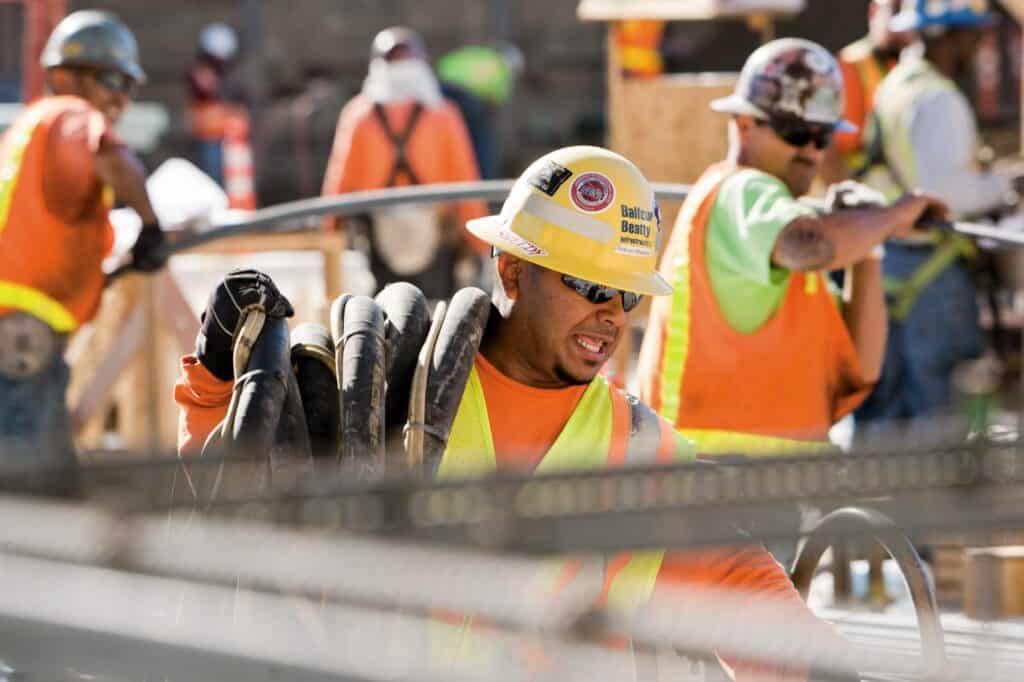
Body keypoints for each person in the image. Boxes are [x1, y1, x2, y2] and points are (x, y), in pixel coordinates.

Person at [175, 146, 856, 681]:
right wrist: (214, 377)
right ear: (511, 273)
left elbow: (750, 597)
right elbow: (235, 482)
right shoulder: (382, 385)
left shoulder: (637, 450)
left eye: (627, 296)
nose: (611, 317)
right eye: (591, 286)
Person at [635, 38, 948, 456]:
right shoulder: (743, 190)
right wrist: (893, 216)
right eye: (795, 131)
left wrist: (870, 246)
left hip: (773, 488)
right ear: (745, 125)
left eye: (822, 137)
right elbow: (807, 245)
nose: (810, 152)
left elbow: (863, 364)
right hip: (717, 483)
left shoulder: (782, 228)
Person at [0, 10, 165, 495]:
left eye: (129, 86)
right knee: (26, 488)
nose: (120, 97)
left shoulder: (31, 127)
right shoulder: (73, 116)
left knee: (48, 477)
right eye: (111, 79)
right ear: (66, 77)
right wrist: (153, 227)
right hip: (22, 332)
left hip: (19, 328)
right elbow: (112, 157)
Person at [856, 0, 1014, 436]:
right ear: (947, 34)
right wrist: (1006, 187)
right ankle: (938, 504)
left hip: (889, 261)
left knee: (886, 406)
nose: (976, 43)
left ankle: (880, 500)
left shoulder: (897, 84)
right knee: (941, 408)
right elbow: (948, 192)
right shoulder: (939, 97)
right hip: (931, 272)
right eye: (970, 33)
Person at [321, 27, 487, 300]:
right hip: (436, 240)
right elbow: (465, 179)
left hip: (380, 238)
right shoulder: (442, 115)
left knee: (384, 314)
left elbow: (340, 181)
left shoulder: (359, 115)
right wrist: (479, 245)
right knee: (436, 316)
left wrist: (330, 236)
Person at [821, 0, 912, 183]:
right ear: (874, 12)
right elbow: (830, 146)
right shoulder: (849, 65)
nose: (901, 26)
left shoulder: (911, 65)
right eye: (895, 12)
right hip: (861, 185)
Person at [437, 43, 523, 180]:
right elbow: (495, 102)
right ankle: (482, 182)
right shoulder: (502, 68)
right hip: (468, 101)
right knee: (482, 143)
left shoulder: (481, 54)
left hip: (442, 92)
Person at [185, 22, 242, 186]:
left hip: (227, 139)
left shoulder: (227, 76)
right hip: (208, 139)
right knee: (211, 181)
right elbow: (207, 88)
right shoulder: (200, 74)